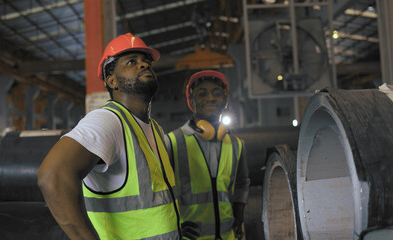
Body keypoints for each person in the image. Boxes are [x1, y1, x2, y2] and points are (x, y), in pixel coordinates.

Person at [38, 33, 190, 240]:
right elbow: (52, 176)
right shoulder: (107, 121)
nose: (144, 65)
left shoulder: (155, 129)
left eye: (146, 62)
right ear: (112, 81)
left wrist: (177, 227)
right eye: (131, 62)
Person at [166, 70, 250, 240]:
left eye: (217, 93)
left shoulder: (236, 144)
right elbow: (159, 190)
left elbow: (242, 184)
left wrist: (239, 214)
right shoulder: (173, 142)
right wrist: (170, 226)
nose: (210, 98)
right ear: (191, 100)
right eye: (202, 93)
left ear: (225, 101)